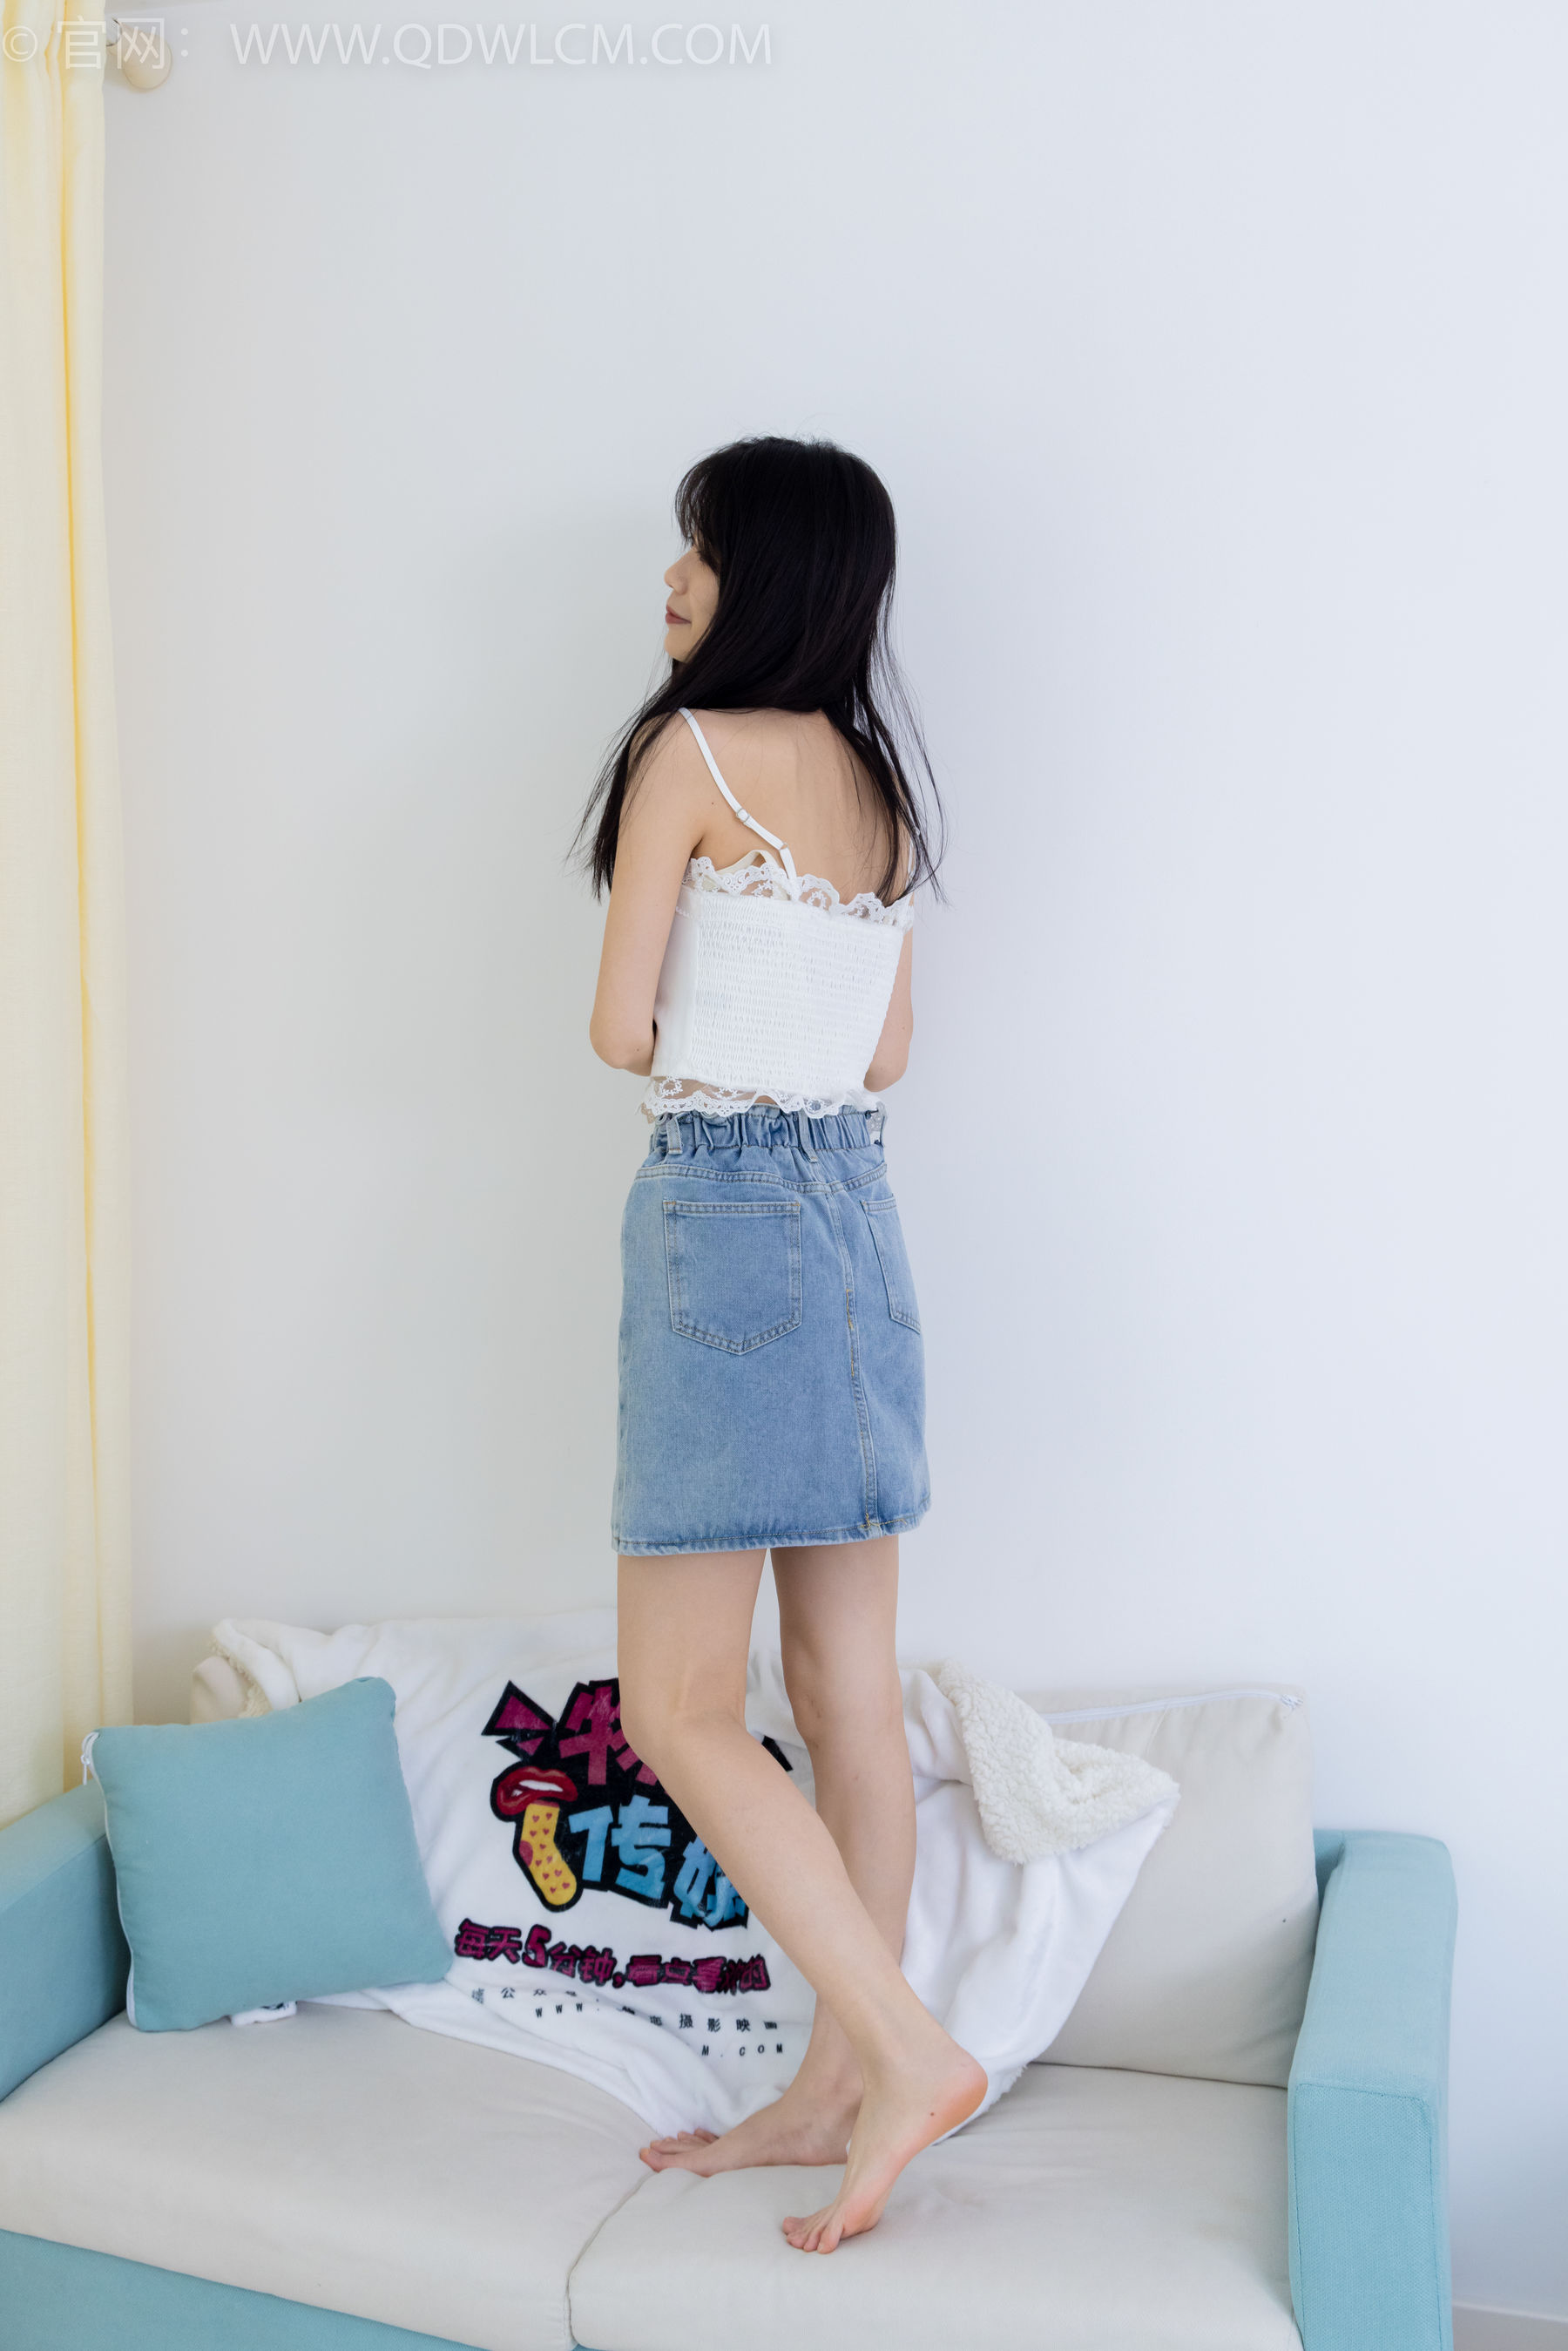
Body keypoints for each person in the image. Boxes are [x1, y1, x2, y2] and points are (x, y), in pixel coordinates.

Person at [581, 436, 984, 2253]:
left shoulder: (689, 753)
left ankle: (899, 2051)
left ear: (779, 575)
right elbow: (885, 1056)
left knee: (678, 1704)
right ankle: (832, 2087)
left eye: (703, 550)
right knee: (845, 1695)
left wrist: (714, 992)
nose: (674, 581)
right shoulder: (883, 793)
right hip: (859, 1224)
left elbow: (623, 1029)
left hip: (727, 1221)